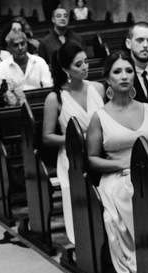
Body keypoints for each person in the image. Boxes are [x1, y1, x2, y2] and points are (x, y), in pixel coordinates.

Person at [86, 53, 148, 273]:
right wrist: (122, 164)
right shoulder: (100, 116)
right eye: (117, 71)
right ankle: (140, 260)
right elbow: (92, 159)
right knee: (128, 193)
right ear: (107, 78)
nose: (124, 76)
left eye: (128, 70)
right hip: (117, 176)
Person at [42, 42, 105, 246]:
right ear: (65, 69)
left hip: (99, 153)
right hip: (72, 157)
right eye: (79, 64)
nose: (85, 67)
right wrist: (76, 140)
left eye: (86, 61)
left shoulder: (98, 88)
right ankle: (84, 243)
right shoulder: (55, 98)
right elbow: (47, 136)